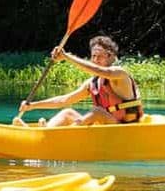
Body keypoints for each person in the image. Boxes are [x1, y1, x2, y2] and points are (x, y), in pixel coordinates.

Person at [13, 36, 143, 127]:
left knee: (97, 112)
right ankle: (45, 131)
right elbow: (64, 100)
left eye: (100, 57)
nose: (95, 60)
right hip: (106, 125)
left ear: (111, 57)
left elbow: (100, 71)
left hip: (123, 126)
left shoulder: (119, 74)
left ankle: (64, 133)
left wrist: (66, 57)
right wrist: (33, 105)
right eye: (93, 56)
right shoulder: (92, 83)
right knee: (67, 112)